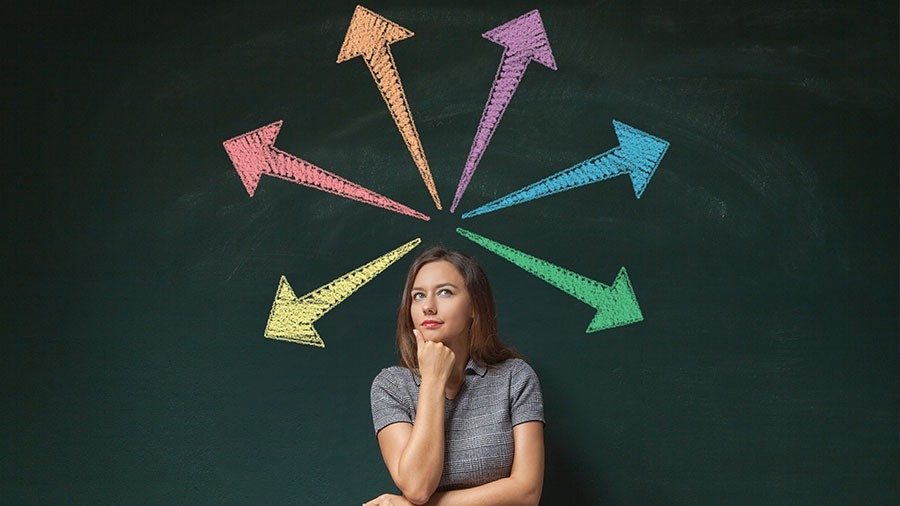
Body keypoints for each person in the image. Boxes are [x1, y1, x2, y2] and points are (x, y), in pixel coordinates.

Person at [365, 246, 545, 506]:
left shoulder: (515, 378)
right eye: (418, 296)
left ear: (474, 306)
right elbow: (417, 487)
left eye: (445, 292)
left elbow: (527, 493)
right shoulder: (391, 386)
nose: (428, 306)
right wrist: (433, 381)